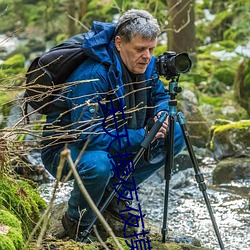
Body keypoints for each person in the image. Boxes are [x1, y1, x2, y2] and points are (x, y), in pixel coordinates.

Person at [41, 9, 186, 241]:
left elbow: (159, 96)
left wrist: (162, 115)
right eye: (140, 49)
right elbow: (87, 135)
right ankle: (76, 222)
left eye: (152, 49)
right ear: (119, 43)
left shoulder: (145, 64)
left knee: (176, 133)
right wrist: (142, 135)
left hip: (117, 138)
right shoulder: (92, 75)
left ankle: (114, 193)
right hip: (68, 150)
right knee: (99, 166)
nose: (147, 56)